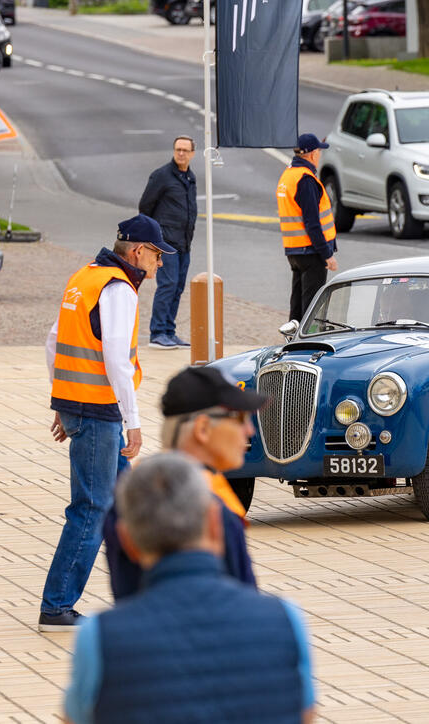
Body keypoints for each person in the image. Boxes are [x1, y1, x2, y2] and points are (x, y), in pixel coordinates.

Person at [64, 453, 316, 724]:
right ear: (216, 525)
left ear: (127, 541)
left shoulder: (99, 637)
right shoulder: (286, 620)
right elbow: (305, 714)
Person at [39, 214, 176, 633]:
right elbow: (117, 358)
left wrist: (64, 403)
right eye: (156, 255)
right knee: (92, 508)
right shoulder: (119, 289)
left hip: (84, 408)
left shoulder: (85, 278)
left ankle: (143, 595)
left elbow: (53, 342)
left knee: (125, 506)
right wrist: (132, 421)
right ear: (137, 252)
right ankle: (56, 607)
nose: (160, 265)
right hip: (100, 413)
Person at [103, 365, 267, 600]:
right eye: (240, 417)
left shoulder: (127, 499)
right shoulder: (210, 507)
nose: (250, 430)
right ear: (202, 429)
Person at [138, 135, 197, 350]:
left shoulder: (190, 178)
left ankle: (169, 331)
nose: (181, 153)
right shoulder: (162, 176)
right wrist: (153, 238)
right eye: (177, 149)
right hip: (165, 243)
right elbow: (145, 206)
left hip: (184, 243)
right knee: (168, 285)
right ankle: (158, 332)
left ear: (192, 154)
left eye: (185, 150)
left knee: (178, 287)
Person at [277, 133, 338, 323]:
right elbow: (312, 223)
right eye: (319, 151)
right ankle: (307, 345)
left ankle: (292, 341)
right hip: (310, 251)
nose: (320, 155)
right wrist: (327, 254)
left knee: (297, 305)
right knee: (312, 309)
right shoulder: (306, 180)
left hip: (294, 251)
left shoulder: (288, 175)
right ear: (312, 154)